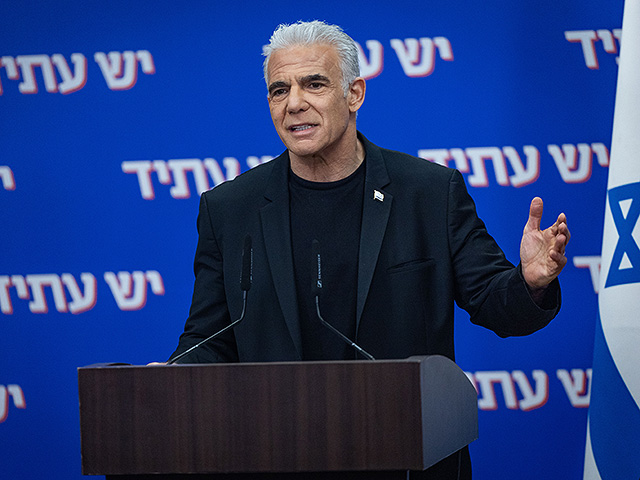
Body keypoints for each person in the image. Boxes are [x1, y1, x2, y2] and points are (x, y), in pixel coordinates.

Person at [164, 20, 570, 479]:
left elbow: (495, 303)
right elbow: (208, 338)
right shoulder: (229, 209)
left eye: (314, 84)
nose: (294, 103)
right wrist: (166, 379)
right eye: (279, 90)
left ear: (354, 94)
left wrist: (529, 282)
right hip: (279, 455)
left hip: (408, 456)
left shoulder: (429, 193)